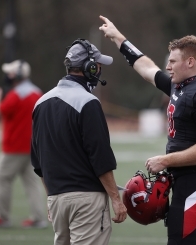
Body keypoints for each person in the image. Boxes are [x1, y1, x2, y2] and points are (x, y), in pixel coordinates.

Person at [99, 16, 196, 245]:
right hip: (187, 182)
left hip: (195, 183)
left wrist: (165, 160)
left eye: (172, 61)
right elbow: (146, 68)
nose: (167, 67)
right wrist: (118, 38)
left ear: (190, 62)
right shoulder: (182, 85)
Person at [31, 38, 127, 245]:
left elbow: (38, 162)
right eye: (98, 64)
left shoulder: (40, 103)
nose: (100, 68)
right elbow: (100, 158)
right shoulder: (88, 102)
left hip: (56, 198)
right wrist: (116, 199)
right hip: (87, 200)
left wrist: (51, 198)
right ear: (90, 67)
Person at [0, 60, 47, 228]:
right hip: (33, 146)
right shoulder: (37, 92)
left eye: (11, 73)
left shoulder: (15, 95)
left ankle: (2, 217)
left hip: (14, 146)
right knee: (32, 182)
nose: (8, 76)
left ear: (18, 75)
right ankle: (38, 217)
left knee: (2, 178)